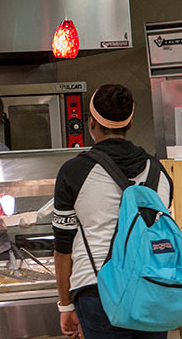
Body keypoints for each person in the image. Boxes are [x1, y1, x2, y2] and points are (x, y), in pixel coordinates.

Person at [53, 84, 172, 339]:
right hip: (153, 288)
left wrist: (66, 305)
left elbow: (63, 246)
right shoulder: (160, 172)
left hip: (98, 292)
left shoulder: (74, 172)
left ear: (91, 123)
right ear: (129, 124)